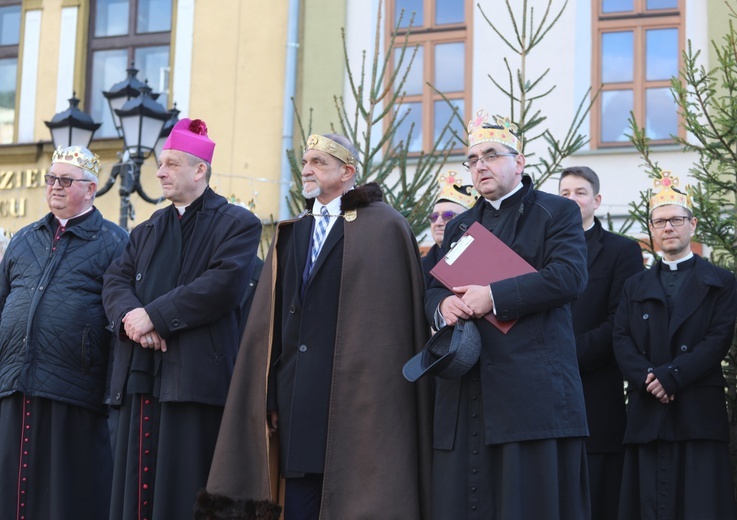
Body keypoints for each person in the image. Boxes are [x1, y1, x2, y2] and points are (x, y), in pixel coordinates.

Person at [196, 133, 432, 519]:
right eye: (305, 162)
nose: (307, 169)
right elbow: (270, 326)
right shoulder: (295, 230)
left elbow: (391, 327)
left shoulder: (385, 228)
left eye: (319, 162)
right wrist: (271, 393)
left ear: (347, 172)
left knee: (362, 493)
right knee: (301, 499)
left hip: (362, 399)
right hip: (299, 394)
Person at [425, 110, 591, 519]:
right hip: (469, 391)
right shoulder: (460, 225)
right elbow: (432, 288)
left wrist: (493, 297)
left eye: (491, 155)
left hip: (531, 392)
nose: (480, 165)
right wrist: (442, 306)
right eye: (473, 159)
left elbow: (569, 277)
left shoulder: (556, 211)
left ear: (519, 162)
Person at [102, 118, 262, 519]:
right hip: (139, 376)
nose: (159, 172)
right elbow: (114, 282)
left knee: (183, 492)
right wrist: (132, 320)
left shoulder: (238, 224)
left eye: (171, 164)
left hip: (193, 382)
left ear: (200, 170)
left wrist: (153, 316)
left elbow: (220, 287)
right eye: (160, 164)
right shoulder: (146, 229)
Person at [0, 145, 128, 519]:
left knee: (65, 496)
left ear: (90, 189)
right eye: (51, 178)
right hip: (14, 382)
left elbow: (119, 316)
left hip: (75, 389)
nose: (55, 186)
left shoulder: (115, 241)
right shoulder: (24, 239)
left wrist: (110, 392)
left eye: (66, 180)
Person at [613, 170, 737, 520]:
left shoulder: (721, 283)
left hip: (697, 408)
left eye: (676, 220)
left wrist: (673, 377)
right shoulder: (634, 285)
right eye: (660, 221)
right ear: (651, 229)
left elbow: (718, 339)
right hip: (647, 408)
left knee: (700, 503)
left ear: (692, 224)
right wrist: (650, 379)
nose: (668, 228)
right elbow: (620, 339)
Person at [559, 166, 643, 520]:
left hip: (596, 393)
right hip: (545, 397)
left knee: (600, 498)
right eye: (564, 194)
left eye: (579, 192)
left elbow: (620, 322)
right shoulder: (540, 251)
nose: (572, 199)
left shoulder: (621, 251)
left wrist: (562, 357)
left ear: (596, 200)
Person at [422, 171, 476, 286]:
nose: (438, 222)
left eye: (448, 216)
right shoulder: (419, 267)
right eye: (434, 216)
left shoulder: (481, 260)